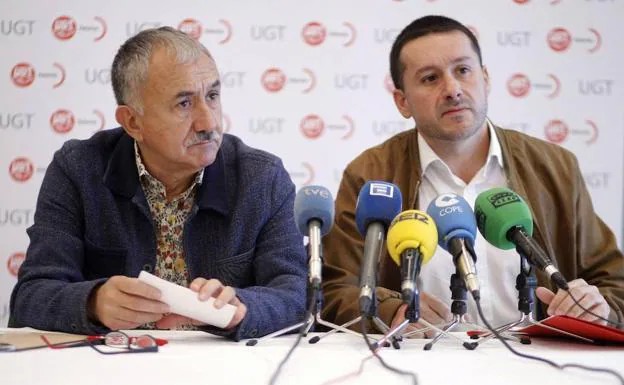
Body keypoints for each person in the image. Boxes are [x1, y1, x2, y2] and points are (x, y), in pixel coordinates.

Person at [321, 15, 624, 336]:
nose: (452, 89)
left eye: (463, 71)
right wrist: (390, 309)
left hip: (539, 362)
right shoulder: (370, 175)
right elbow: (337, 289)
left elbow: (612, 279)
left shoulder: (555, 166)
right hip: (423, 363)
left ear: (486, 78)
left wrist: (600, 306)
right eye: (429, 78)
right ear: (402, 101)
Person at [9, 27, 307, 341]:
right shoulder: (78, 169)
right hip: (110, 367)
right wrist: (93, 303)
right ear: (133, 122)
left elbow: (299, 295)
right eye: (184, 104)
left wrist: (243, 310)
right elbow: (31, 295)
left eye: (213, 96)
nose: (209, 123)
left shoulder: (262, 177)